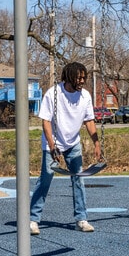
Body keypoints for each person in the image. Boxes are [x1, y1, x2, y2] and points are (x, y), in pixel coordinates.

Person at [30, 62, 102, 235]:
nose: (82, 81)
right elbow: (45, 121)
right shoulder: (53, 94)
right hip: (52, 142)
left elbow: (89, 121)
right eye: (79, 77)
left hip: (73, 143)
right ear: (69, 77)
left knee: (79, 179)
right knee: (46, 179)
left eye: (84, 77)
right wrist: (53, 146)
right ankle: (33, 220)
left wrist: (97, 143)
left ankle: (81, 219)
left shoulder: (85, 96)